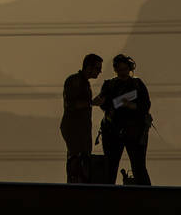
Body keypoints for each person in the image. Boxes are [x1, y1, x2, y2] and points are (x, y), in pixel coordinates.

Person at [96, 54, 152, 185]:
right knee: (110, 167)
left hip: (135, 132)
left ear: (130, 69)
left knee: (139, 167)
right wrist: (115, 102)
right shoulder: (109, 85)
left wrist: (131, 105)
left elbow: (146, 105)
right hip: (112, 132)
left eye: (125, 69)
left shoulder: (137, 84)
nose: (123, 73)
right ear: (115, 70)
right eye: (120, 70)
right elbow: (104, 104)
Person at [60, 53, 103, 183]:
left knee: (83, 162)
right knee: (75, 161)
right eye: (98, 68)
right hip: (74, 129)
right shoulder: (74, 81)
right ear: (89, 67)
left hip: (82, 130)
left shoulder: (85, 83)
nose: (100, 72)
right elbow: (71, 104)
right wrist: (91, 103)